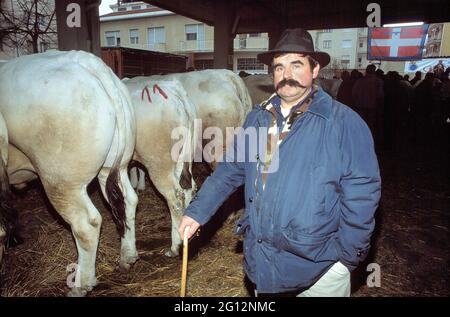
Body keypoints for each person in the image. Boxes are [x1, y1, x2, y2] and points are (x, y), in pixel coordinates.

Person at [178, 28, 381, 297]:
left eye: (297, 65)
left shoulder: (344, 124)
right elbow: (231, 171)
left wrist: (347, 258)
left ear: (315, 68)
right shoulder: (259, 119)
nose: (287, 75)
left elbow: (363, 194)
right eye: (279, 67)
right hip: (263, 263)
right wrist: (197, 211)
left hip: (321, 270)